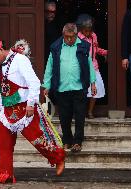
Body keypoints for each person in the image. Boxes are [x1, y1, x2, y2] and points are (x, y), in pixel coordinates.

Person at [0, 39, 65, 184]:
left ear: (0, 50)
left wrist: (31, 104)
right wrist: (1, 108)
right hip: (7, 112)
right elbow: (3, 90)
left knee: (37, 139)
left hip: (24, 109)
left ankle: (58, 157)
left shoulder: (20, 60)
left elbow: (34, 82)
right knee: (3, 143)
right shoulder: (1, 66)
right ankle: (5, 174)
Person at [43, 23, 97, 152]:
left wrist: (93, 83)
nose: (69, 40)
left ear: (76, 35)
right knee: (64, 117)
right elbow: (49, 66)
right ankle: (67, 140)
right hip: (62, 88)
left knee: (79, 116)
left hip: (79, 87)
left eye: (71, 37)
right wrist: (46, 85)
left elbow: (90, 65)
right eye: (66, 37)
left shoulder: (83, 46)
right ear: (63, 35)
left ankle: (78, 141)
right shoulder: (56, 47)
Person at [76, 14, 108, 119]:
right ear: (81, 29)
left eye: (90, 30)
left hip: (93, 66)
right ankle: (80, 112)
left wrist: (106, 52)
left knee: (96, 89)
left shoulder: (94, 36)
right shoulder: (77, 37)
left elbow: (96, 49)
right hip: (81, 67)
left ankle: (90, 111)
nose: (88, 33)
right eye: (86, 31)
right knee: (81, 91)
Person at [45, 0, 60, 67]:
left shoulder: (58, 24)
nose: (52, 14)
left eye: (54, 12)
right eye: (49, 12)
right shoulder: (38, 23)